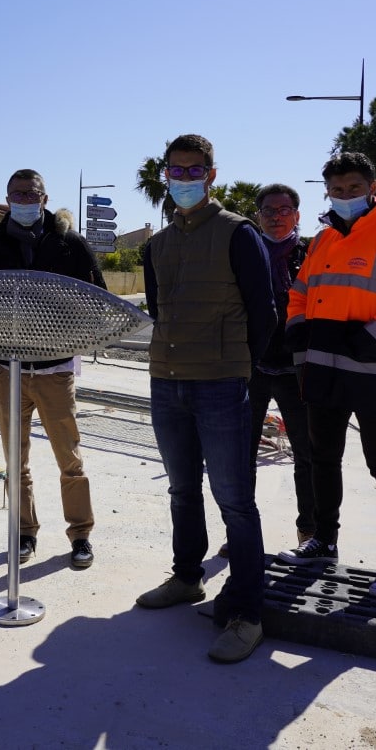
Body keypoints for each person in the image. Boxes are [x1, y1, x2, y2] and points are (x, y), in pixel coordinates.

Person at [134, 134, 275, 664]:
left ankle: (247, 612)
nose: (185, 179)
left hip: (220, 384)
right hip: (166, 381)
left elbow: (264, 314)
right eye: (177, 170)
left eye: (195, 171)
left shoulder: (238, 234)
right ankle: (187, 578)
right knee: (181, 490)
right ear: (165, 176)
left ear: (211, 175)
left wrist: (238, 369)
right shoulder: (158, 245)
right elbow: (159, 308)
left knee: (235, 501)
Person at [277, 152, 376, 600]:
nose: (345, 196)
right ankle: (324, 543)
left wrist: (375, 339)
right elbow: (300, 291)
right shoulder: (324, 239)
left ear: (372, 189)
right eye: (337, 190)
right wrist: (295, 325)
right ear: (327, 191)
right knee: (323, 458)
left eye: (353, 189)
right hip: (323, 365)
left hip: (370, 368)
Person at [0, 169, 104, 569]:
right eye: (18, 194)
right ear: (7, 197)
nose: (25, 200)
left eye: (32, 193)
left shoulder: (69, 243)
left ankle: (80, 535)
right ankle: (25, 532)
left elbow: (97, 299)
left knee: (70, 458)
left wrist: (70, 334)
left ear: (45, 197)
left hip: (54, 370)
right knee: (16, 460)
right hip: (7, 370)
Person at [245, 183, 315, 547]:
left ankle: (309, 533)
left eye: (283, 210)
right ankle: (243, 533)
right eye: (269, 211)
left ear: (297, 215)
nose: (276, 217)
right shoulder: (244, 252)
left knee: (307, 455)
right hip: (252, 369)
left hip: (297, 371)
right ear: (258, 216)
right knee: (242, 457)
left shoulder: (313, 253)